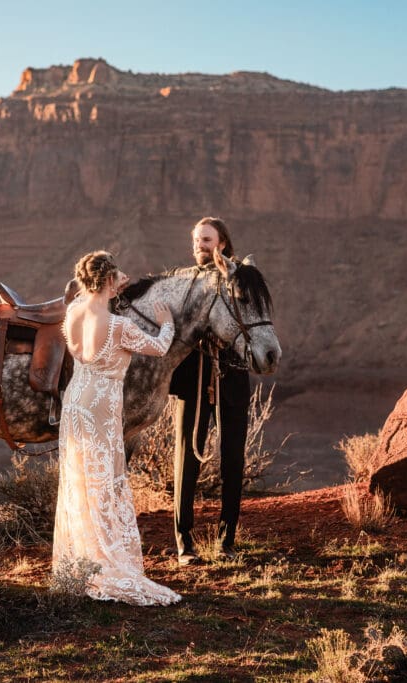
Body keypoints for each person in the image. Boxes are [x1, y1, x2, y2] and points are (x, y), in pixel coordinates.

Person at [52, 250, 181, 605]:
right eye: (116, 275)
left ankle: (81, 560)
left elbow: (87, 293)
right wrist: (167, 321)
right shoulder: (119, 327)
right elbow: (159, 347)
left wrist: (110, 282)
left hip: (75, 401)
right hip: (101, 407)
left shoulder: (74, 311)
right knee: (104, 480)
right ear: (108, 280)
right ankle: (108, 561)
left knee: (79, 480)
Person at [169, 217, 251, 566]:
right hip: (192, 378)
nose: (198, 245)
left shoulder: (242, 279)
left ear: (222, 242)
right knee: (186, 458)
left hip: (232, 376)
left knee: (233, 459)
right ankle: (184, 543)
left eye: (206, 239)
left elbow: (250, 322)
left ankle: (226, 541)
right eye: (196, 240)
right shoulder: (182, 280)